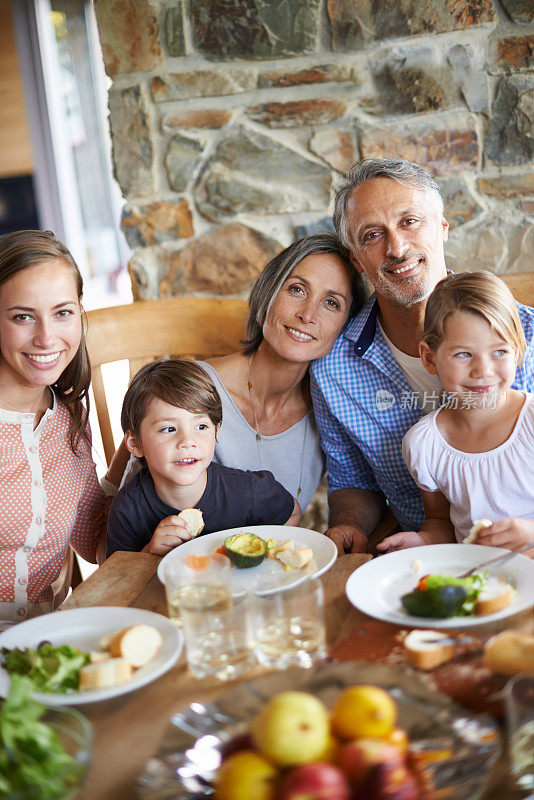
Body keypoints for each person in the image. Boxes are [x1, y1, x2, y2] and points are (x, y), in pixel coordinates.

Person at [311, 158, 534, 555]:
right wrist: (349, 526)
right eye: (373, 234)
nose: (396, 247)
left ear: (443, 229)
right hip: (434, 560)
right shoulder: (333, 368)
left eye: (410, 221)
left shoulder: (527, 332)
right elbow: (353, 482)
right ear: (356, 259)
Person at [121, 234, 366, 516]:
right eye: (297, 289)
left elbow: (363, 485)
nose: (308, 314)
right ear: (269, 292)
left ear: (347, 326)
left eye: (332, 303)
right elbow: (119, 525)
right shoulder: (184, 392)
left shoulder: (333, 407)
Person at [377, 271, 534, 555]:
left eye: (499, 351)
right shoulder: (425, 444)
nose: (483, 370)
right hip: (479, 582)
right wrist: (423, 541)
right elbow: (439, 521)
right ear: (429, 357)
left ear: (518, 350)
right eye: (464, 354)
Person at [0, 229, 108, 621]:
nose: (46, 338)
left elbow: (94, 536)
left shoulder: (68, 416)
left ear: (80, 311)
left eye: (62, 313)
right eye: (23, 316)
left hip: (46, 638)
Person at [106, 358, 300, 556]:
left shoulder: (248, 491)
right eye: (169, 429)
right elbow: (116, 577)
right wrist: (149, 553)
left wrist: (257, 552)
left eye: (201, 427)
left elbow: (292, 513)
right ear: (135, 444)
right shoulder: (127, 509)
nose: (187, 441)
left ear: (216, 433)